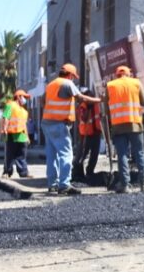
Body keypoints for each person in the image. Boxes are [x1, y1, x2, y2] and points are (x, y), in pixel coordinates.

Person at [41, 63, 100, 194]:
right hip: (58, 124)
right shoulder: (67, 83)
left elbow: (42, 100)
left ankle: (52, 185)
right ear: (70, 75)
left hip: (47, 123)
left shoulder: (51, 84)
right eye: (73, 77)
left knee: (52, 155)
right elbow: (81, 98)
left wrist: (51, 111)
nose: (73, 79)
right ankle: (64, 185)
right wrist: (99, 100)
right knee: (66, 154)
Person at [106, 65, 144, 193]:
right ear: (129, 74)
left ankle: (125, 185)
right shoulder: (136, 83)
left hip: (118, 126)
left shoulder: (110, 85)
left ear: (116, 75)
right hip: (135, 124)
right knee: (140, 153)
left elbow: (106, 109)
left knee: (122, 155)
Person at [0, 89, 31, 179]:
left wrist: (27, 137)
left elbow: (24, 125)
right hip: (11, 134)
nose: (25, 100)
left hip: (22, 136)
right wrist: (4, 129)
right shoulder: (10, 105)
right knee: (9, 155)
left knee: (22, 156)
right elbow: (6, 117)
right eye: (24, 97)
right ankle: (7, 172)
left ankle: (23, 173)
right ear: (18, 97)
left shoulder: (24, 111)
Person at [77, 94, 104, 184]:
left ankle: (90, 171)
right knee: (83, 154)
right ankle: (78, 171)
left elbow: (100, 116)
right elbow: (83, 118)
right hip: (86, 134)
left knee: (94, 154)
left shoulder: (97, 105)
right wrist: (88, 109)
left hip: (96, 132)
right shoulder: (83, 106)